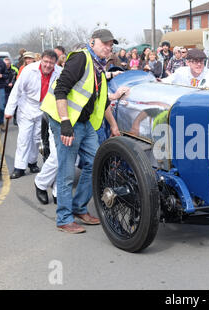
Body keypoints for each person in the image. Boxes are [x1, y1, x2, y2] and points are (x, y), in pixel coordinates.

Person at [40, 29, 121, 234]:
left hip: (84, 124)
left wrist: (113, 126)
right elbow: (61, 90)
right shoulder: (81, 59)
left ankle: (78, 207)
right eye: (105, 43)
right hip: (66, 122)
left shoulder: (100, 68)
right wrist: (66, 123)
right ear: (92, 42)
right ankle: (64, 218)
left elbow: (101, 104)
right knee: (66, 172)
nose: (109, 48)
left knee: (95, 164)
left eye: (111, 45)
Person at [5, 50, 62, 179]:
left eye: (51, 63)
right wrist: (9, 111)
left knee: (37, 138)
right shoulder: (29, 70)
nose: (48, 65)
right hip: (27, 106)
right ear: (41, 60)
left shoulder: (59, 72)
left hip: (44, 108)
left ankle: (32, 162)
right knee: (24, 138)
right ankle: (19, 167)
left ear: (55, 63)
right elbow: (16, 90)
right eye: (46, 62)